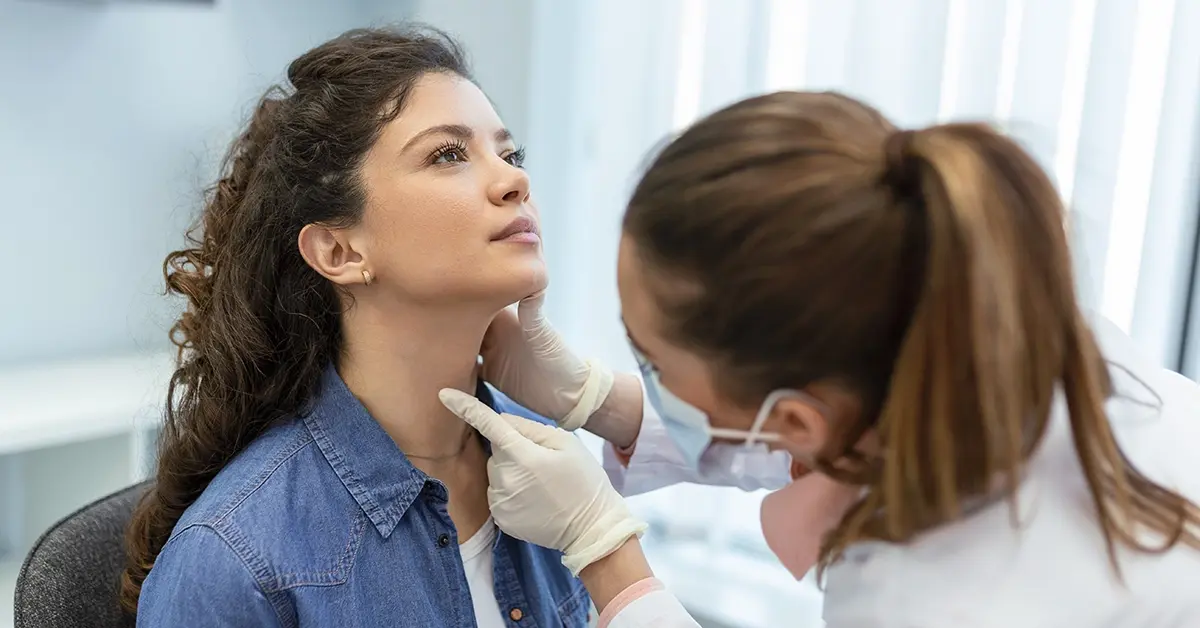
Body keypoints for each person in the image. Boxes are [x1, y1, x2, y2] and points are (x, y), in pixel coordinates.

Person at [439, 90, 1200, 627]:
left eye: (655, 364)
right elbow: (851, 430)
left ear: (796, 418)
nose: (515, 179)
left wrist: (605, 554)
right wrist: (602, 401)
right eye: (445, 153)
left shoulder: (928, 604)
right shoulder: (1014, 337)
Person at [122, 26, 592, 627]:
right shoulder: (235, 561)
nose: (514, 180)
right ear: (340, 251)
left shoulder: (553, 463)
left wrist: (596, 407)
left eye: (509, 154)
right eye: (448, 154)